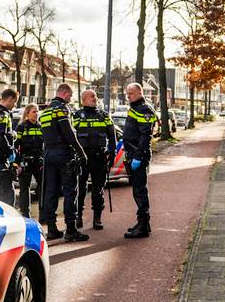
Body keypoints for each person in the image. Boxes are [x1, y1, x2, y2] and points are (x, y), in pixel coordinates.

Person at [39, 83, 90, 242]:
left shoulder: (45, 111)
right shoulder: (61, 109)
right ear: (65, 93)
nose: (71, 98)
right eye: (71, 94)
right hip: (63, 154)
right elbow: (69, 133)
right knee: (70, 191)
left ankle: (52, 229)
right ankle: (71, 229)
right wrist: (81, 153)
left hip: (48, 154)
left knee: (51, 192)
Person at [73, 88, 117, 230]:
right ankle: (77, 216)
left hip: (99, 157)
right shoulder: (77, 115)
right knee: (80, 187)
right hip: (82, 157)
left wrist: (112, 152)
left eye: (96, 96)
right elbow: (70, 136)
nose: (95, 98)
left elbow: (112, 136)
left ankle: (97, 218)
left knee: (98, 189)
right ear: (84, 99)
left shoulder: (104, 115)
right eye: (92, 96)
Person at [121, 83, 157, 239]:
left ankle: (142, 225)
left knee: (140, 191)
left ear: (140, 92)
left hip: (138, 154)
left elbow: (145, 136)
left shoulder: (143, 109)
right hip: (133, 152)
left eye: (132, 93)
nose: (129, 96)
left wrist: (137, 156)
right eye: (127, 94)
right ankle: (144, 224)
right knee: (138, 189)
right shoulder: (136, 107)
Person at [15, 103, 44, 217]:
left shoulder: (41, 126)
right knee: (24, 188)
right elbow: (16, 145)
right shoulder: (21, 127)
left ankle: (43, 214)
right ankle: (25, 214)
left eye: (37, 111)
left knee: (42, 187)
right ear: (27, 113)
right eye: (34, 111)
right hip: (25, 161)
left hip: (38, 162)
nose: (36, 114)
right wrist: (17, 163)